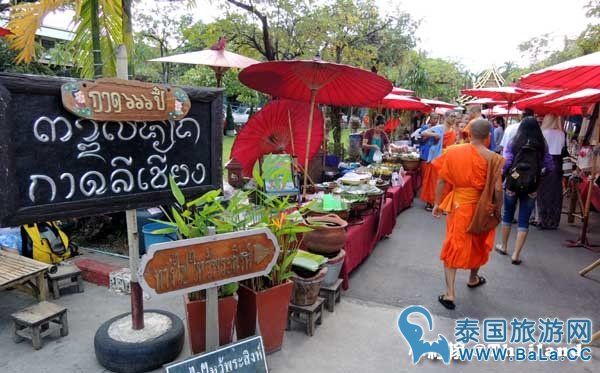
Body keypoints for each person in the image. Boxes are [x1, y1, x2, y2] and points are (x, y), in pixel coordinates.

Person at [432, 119, 504, 310]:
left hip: (460, 206)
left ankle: (450, 293)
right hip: (483, 209)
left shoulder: (454, 151)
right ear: (489, 137)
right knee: (479, 242)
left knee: (454, 246)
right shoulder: (493, 158)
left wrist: (437, 203)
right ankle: (473, 278)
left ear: (469, 134)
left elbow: (441, 180)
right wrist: (497, 209)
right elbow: (498, 189)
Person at [496, 117, 554, 264]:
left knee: (508, 214)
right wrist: (538, 176)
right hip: (532, 186)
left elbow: (507, 162)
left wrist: (503, 177)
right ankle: (516, 254)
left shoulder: (515, 141)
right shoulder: (542, 144)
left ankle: (503, 246)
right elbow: (550, 166)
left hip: (513, 184)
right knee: (524, 220)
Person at [420, 111, 457, 209]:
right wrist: (434, 135)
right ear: (446, 117)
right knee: (433, 181)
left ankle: (441, 203)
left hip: (447, 159)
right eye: (452, 116)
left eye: (455, 117)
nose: (454, 119)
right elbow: (423, 133)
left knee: (444, 182)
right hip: (436, 158)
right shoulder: (439, 128)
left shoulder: (453, 131)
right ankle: (430, 202)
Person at [536, 114, 566, 229]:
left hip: (546, 164)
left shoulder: (543, 133)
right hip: (558, 164)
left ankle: (543, 219)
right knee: (555, 194)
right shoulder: (562, 133)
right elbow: (563, 149)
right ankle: (553, 220)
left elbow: (541, 150)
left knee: (543, 193)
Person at [414, 113, 440, 210]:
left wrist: (436, 137)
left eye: (437, 118)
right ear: (430, 119)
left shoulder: (439, 128)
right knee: (425, 177)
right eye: (434, 118)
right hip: (425, 154)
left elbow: (438, 142)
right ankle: (426, 199)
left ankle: (431, 199)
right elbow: (420, 140)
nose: (435, 120)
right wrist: (429, 133)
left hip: (434, 155)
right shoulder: (424, 127)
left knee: (432, 179)